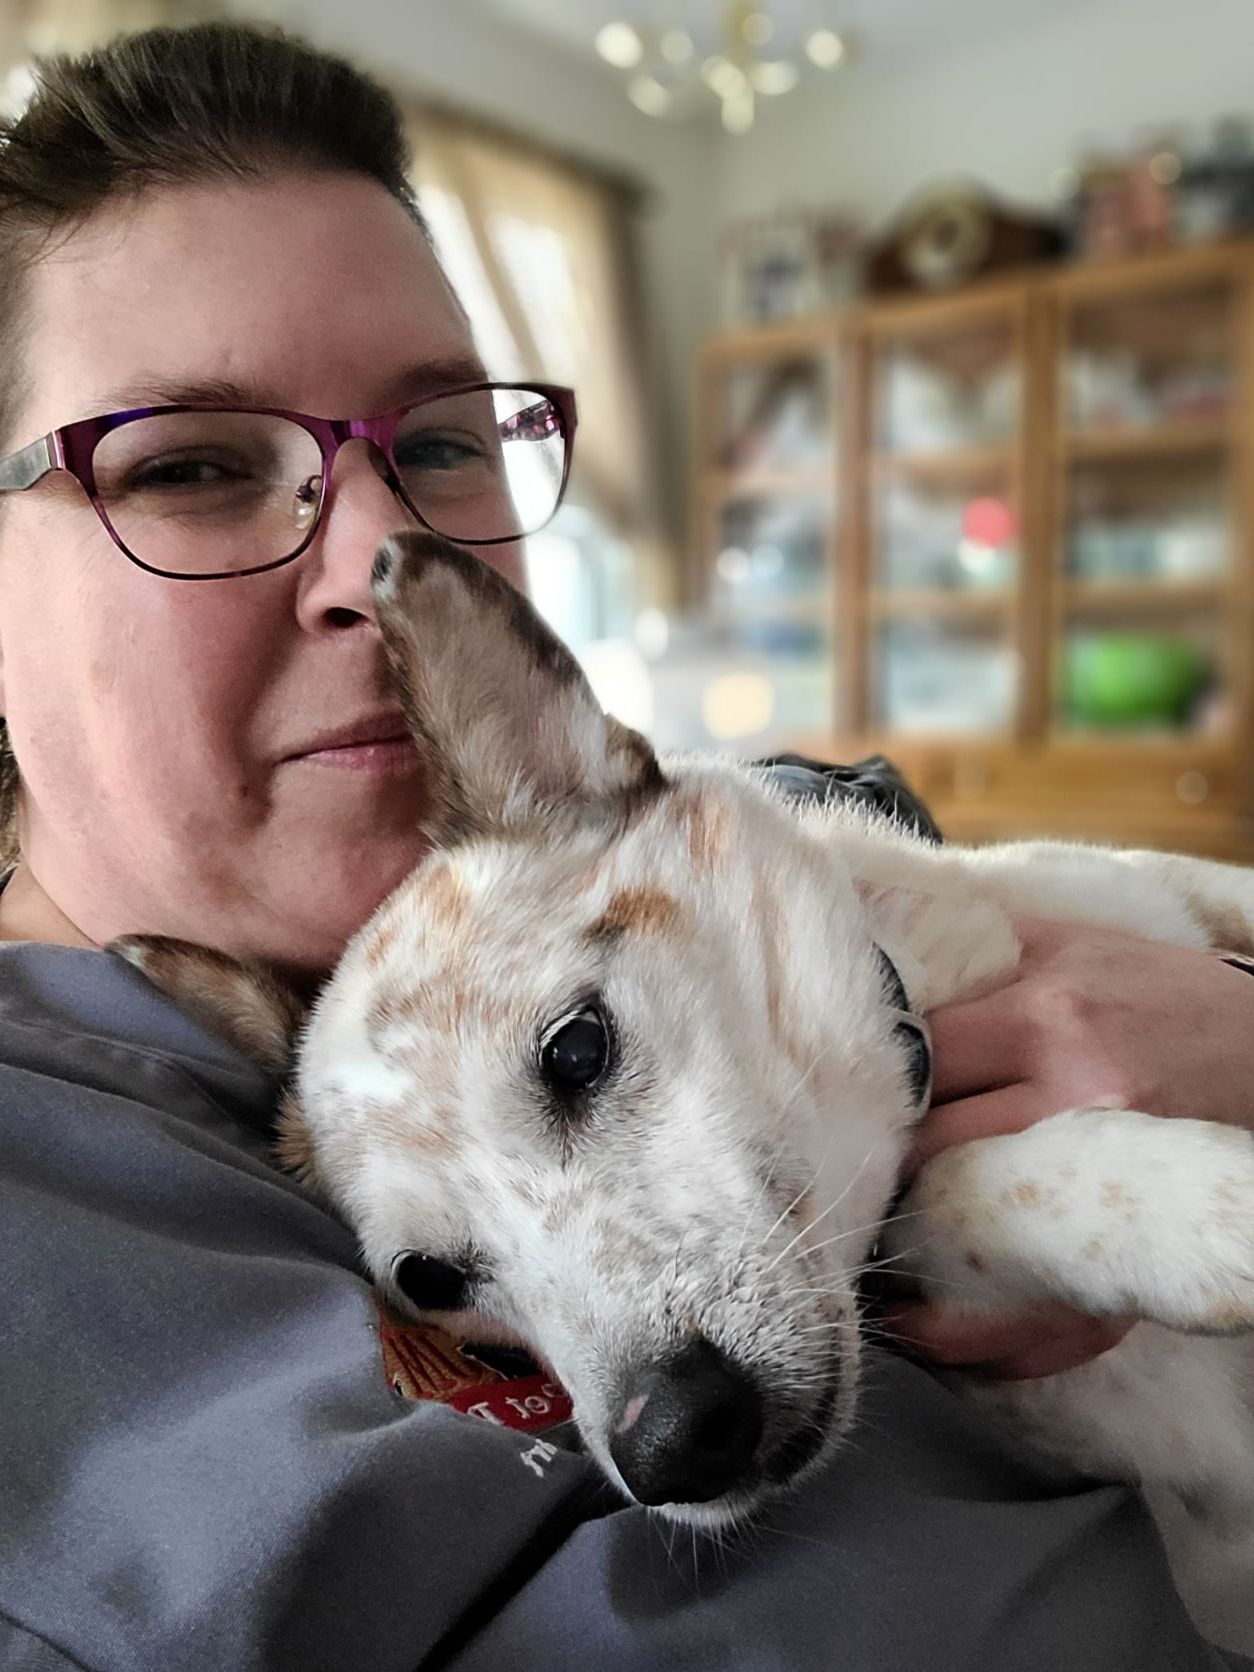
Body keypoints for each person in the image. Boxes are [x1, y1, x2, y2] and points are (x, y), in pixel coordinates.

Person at [0, 21, 1248, 1672]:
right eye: (192, 467)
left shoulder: (794, 813)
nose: (380, 556)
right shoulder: (53, 1205)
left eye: (440, 440)